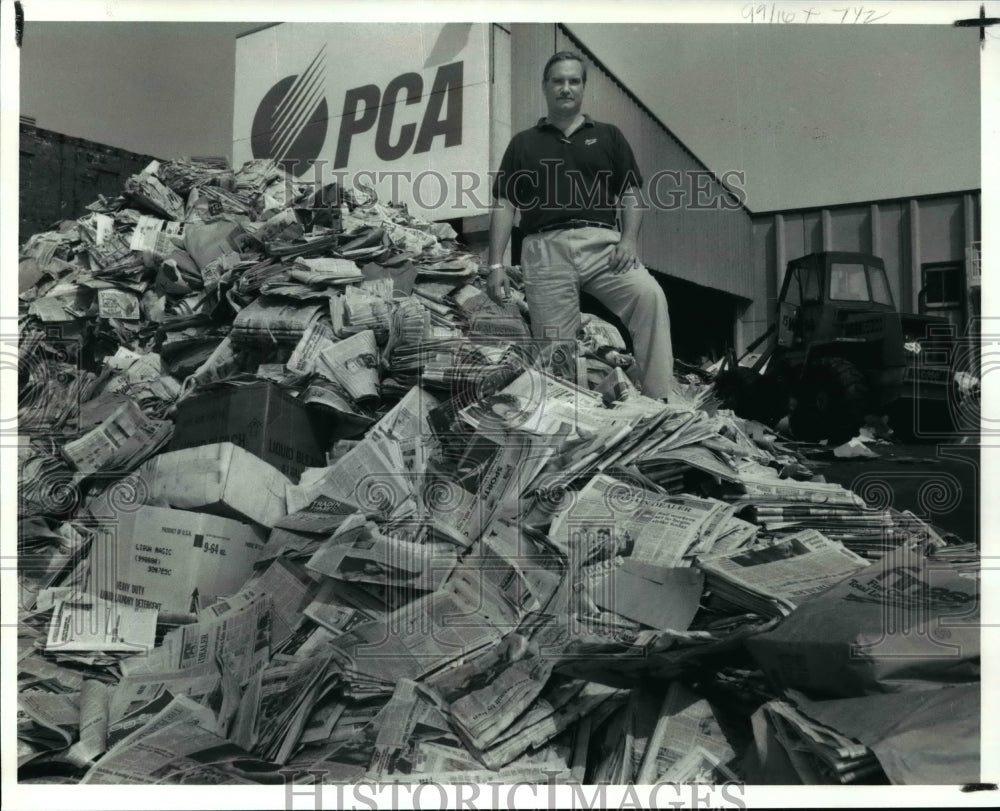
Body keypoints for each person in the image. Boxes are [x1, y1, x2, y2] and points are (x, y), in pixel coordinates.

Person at [487, 51, 674, 400]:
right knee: (555, 347)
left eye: (573, 81)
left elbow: (632, 193)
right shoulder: (523, 143)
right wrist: (495, 263)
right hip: (545, 249)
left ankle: (657, 399)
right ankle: (569, 418)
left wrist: (629, 241)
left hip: (602, 244)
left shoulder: (609, 136)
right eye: (558, 81)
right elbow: (504, 203)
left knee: (649, 296)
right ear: (545, 87)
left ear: (583, 88)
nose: (565, 88)